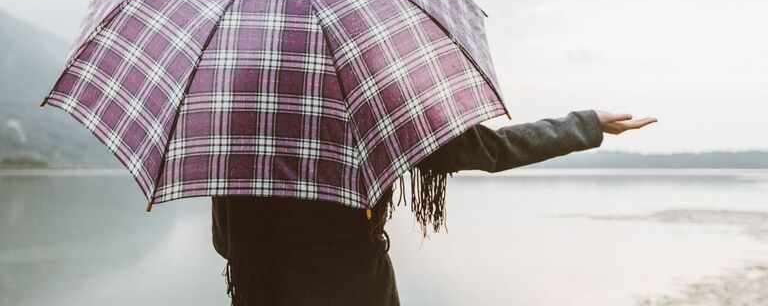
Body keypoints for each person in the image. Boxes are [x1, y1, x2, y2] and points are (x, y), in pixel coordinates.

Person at [211, 109, 657, 305]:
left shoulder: (233, 129)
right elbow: (494, 148)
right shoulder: (374, 111)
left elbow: (225, 243)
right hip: (363, 292)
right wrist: (585, 124)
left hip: (266, 292)